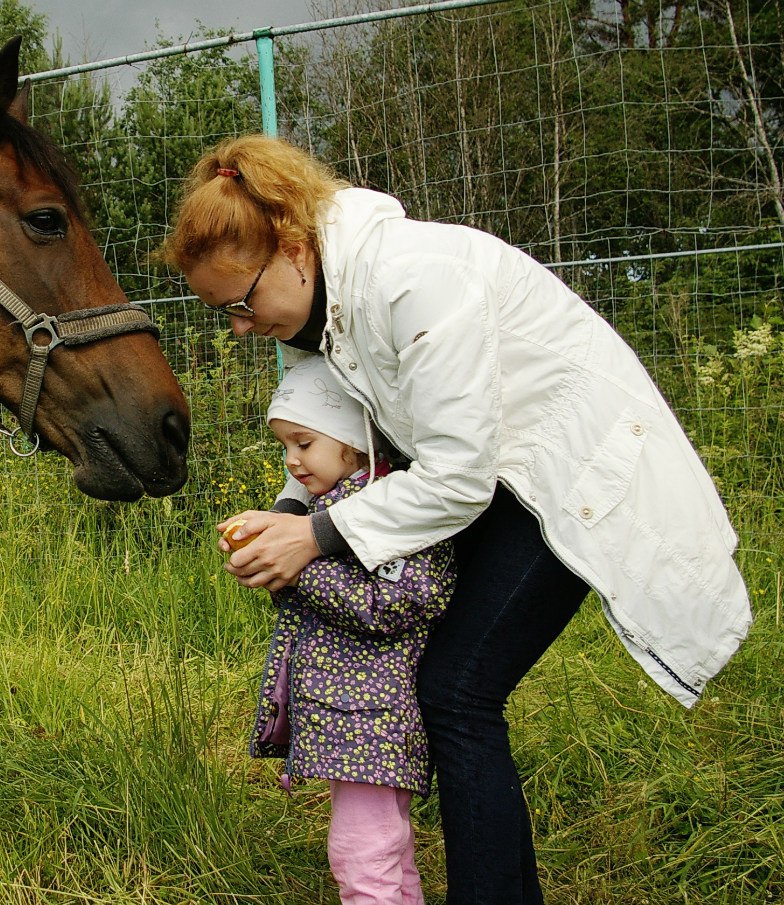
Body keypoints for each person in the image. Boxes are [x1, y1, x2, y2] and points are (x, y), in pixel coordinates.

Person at [164, 135, 752, 904]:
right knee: (448, 687)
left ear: (295, 247)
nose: (238, 326)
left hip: (561, 473)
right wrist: (288, 507)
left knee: (457, 690)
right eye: (223, 313)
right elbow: (334, 414)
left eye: (240, 302)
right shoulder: (331, 302)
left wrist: (311, 538)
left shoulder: (413, 278)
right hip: (501, 478)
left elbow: (459, 475)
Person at [242, 356, 454, 905]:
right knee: (386, 848)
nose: (292, 460)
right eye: (284, 446)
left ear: (353, 440)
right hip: (351, 717)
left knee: (362, 852)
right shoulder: (329, 508)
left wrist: (298, 568)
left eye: (303, 443)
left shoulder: (387, 507)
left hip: (372, 719)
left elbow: (402, 601)